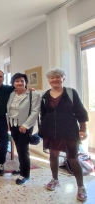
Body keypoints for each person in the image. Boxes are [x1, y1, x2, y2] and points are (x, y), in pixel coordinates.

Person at [39, 69, 88, 202]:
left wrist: (83, 129)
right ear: (48, 80)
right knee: (53, 155)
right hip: (51, 130)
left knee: (73, 158)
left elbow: (80, 111)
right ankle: (55, 179)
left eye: (58, 77)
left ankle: (81, 186)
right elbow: (43, 115)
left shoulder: (71, 93)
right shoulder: (45, 95)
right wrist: (42, 130)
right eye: (52, 78)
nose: (55, 80)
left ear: (63, 79)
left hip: (69, 130)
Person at [7, 73, 41, 185]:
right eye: (17, 81)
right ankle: (22, 169)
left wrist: (25, 126)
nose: (20, 83)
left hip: (24, 126)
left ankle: (25, 175)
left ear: (26, 82)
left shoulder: (33, 94)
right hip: (13, 125)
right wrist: (9, 123)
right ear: (13, 83)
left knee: (23, 150)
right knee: (19, 148)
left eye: (22, 80)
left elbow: (35, 111)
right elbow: (9, 110)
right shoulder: (12, 94)